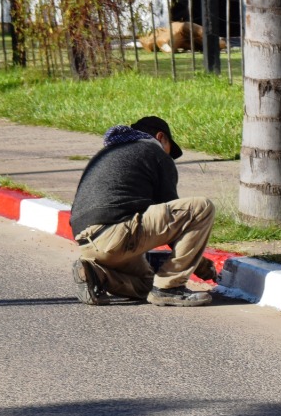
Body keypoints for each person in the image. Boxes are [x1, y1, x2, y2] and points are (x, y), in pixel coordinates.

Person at [69, 115, 216, 307]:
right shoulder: (155, 152)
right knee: (201, 208)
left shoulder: (108, 154)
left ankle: (96, 274)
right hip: (117, 235)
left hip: (87, 244)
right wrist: (202, 266)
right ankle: (169, 288)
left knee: (146, 285)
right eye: (170, 149)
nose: (169, 156)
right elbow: (179, 223)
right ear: (161, 137)